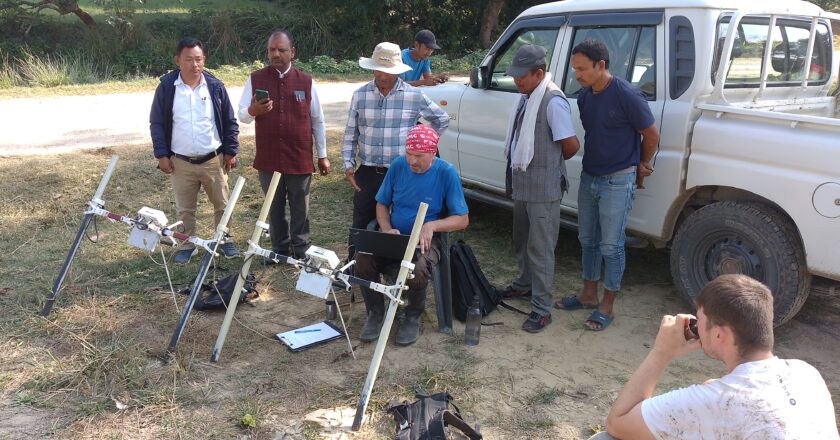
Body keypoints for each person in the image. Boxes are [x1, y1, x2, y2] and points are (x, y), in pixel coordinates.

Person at [597, 274, 839, 439]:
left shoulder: (719, 401)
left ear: (720, 335)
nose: (697, 327)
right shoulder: (807, 373)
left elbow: (618, 423)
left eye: (700, 321)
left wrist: (662, 352)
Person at [554, 39, 660, 331]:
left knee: (611, 246)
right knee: (587, 240)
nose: (577, 75)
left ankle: (607, 305)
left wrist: (642, 163)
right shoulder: (586, 95)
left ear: (601, 65)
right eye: (575, 69)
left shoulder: (627, 95)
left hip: (618, 179)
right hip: (590, 176)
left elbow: (651, 135)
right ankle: (588, 294)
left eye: (582, 69)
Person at [354, 125, 468, 346]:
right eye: (409, 154)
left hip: (425, 240)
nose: (412, 161)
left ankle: (412, 316)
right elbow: (382, 204)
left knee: (416, 270)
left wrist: (431, 225)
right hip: (395, 237)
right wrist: (386, 229)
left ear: (433, 153)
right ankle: (375, 313)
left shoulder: (446, 172)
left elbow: (462, 219)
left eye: (419, 156)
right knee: (362, 260)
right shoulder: (398, 166)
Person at [497, 44, 580, 333]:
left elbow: (571, 146)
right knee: (522, 240)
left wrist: (549, 162)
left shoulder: (553, 101)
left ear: (539, 73)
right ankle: (524, 285)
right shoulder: (526, 97)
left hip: (544, 189)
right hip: (523, 185)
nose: (517, 80)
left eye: (522, 75)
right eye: (515, 75)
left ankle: (542, 310)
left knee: (541, 249)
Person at [343, 41, 450, 257]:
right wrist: (348, 164)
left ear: (398, 71)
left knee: (400, 217)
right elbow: (350, 132)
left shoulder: (413, 96)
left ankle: (398, 261)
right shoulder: (360, 95)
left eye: (389, 72)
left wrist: (425, 147)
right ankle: (355, 265)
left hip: (402, 171)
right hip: (369, 170)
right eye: (379, 70)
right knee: (362, 217)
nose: (383, 76)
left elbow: (442, 119)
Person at [238, 29, 329, 259]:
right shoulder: (256, 78)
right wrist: (253, 110)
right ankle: (279, 249)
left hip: (299, 156)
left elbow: (317, 120)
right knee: (274, 206)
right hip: (268, 157)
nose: (276, 54)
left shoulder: (306, 82)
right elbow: (242, 115)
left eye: (281, 49)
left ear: (292, 52)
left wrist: (323, 155)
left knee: (300, 206)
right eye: (272, 50)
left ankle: (301, 249)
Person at [150, 37, 240, 264]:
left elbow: (230, 121)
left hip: (214, 159)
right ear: (178, 60)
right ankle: (187, 243)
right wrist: (162, 155)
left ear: (204, 60)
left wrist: (231, 150)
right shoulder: (167, 88)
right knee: (185, 208)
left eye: (198, 59)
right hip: (181, 161)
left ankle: (224, 239)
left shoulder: (215, 87)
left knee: (222, 203)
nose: (194, 64)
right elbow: (157, 123)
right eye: (188, 59)